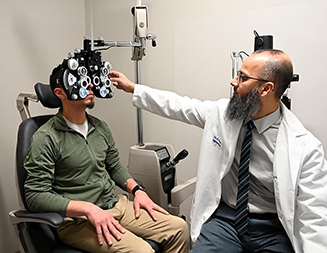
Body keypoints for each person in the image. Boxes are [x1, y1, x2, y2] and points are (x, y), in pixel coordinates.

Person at [109, 49, 327, 253]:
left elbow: (314, 215)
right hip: (226, 220)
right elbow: (180, 106)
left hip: (273, 228)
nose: (233, 81)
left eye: (242, 77)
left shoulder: (305, 147)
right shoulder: (222, 114)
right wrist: (134, 88)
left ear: (266, 88)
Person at [23, 64, 190, 253]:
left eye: (89, 81)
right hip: (79, 221)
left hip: (116, 205)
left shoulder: (100, 127)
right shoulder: (46, 137)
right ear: (60, 93)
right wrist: (87, 209)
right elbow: (35, 196)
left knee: (179, 229)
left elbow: (114, 166)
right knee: (142, 251)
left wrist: (137, 190)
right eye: (78, 81)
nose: (90, 87)